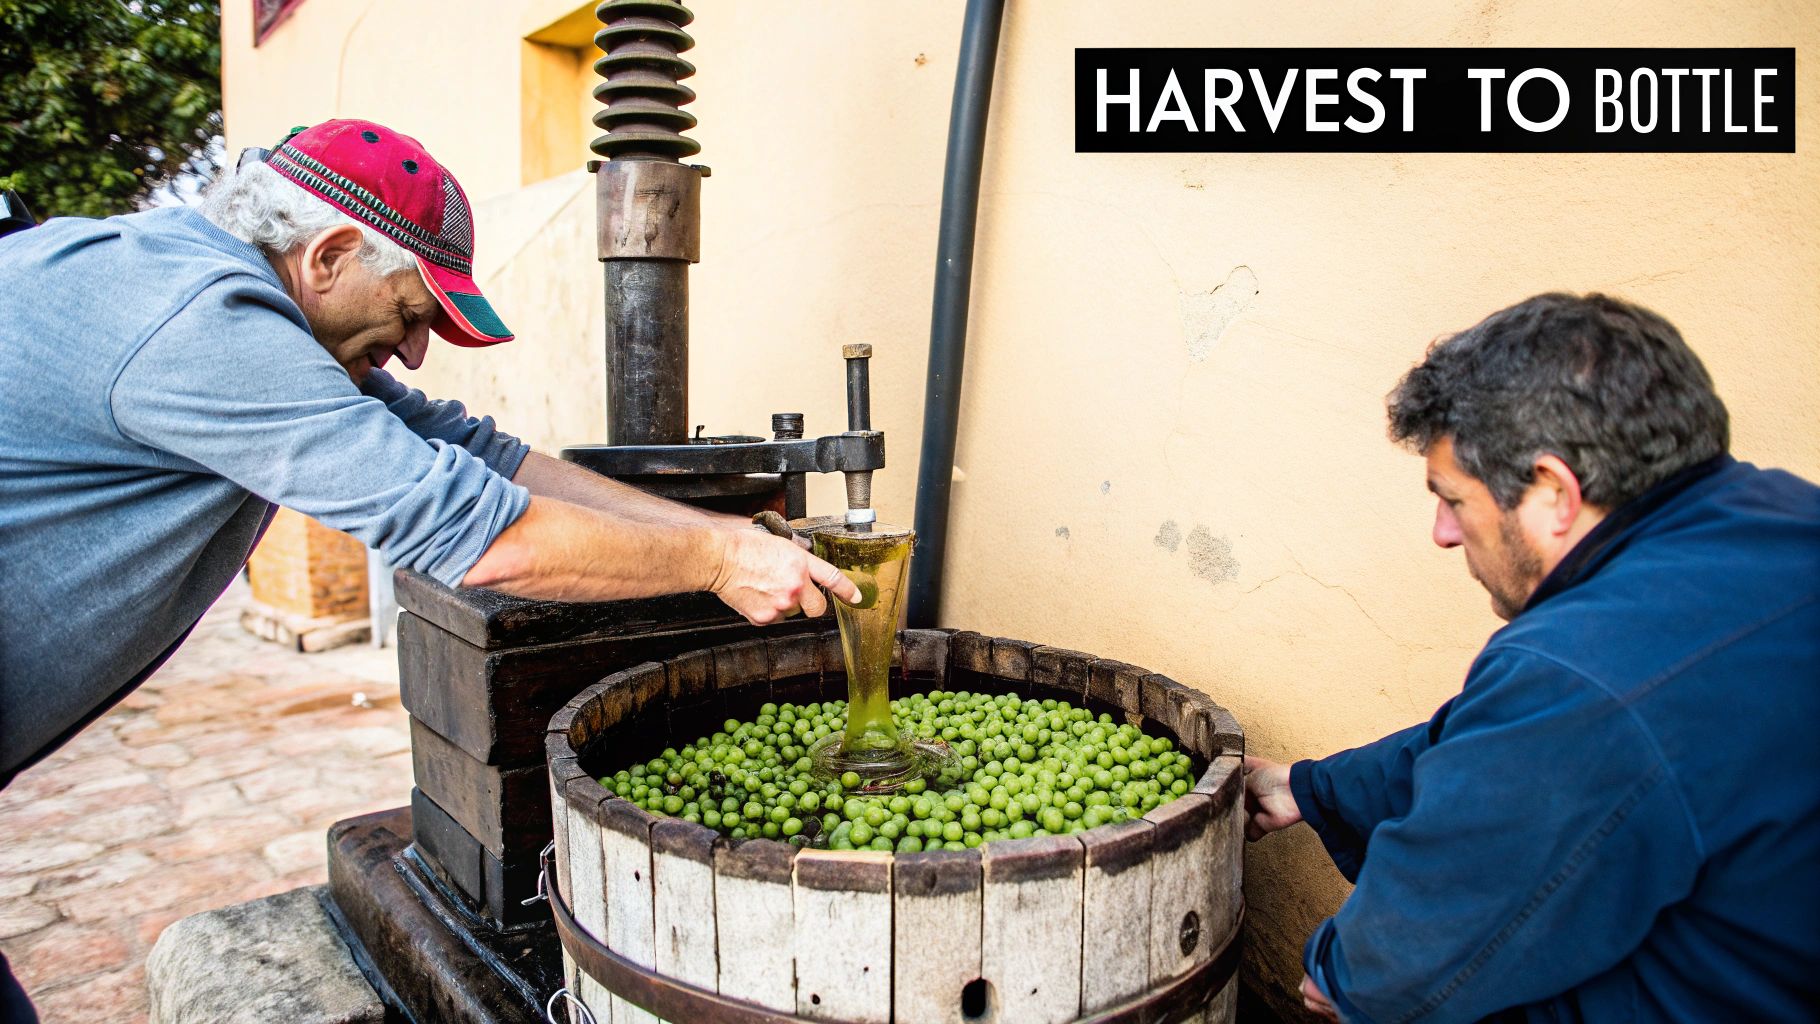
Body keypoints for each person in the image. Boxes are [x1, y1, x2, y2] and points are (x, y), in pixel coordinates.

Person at [0, 119, 862, 1016]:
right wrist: (718, 563)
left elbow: (477, 450)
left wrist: (725, 530)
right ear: (330, 253)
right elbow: (485, 537)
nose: (414, 352)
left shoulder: (213, 287)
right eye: (413, 314)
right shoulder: (202, 323)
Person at [1243, 293, 1820, 1022]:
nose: (1443, 533)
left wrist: (1336, 969)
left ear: (1554, 492)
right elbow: (1506, 745)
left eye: (1452, 498)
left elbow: (1371, 979)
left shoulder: (1581, 668)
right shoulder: (1783, 517)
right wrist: (1313, 788)